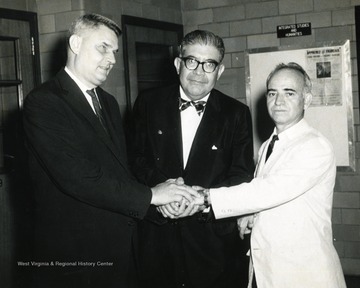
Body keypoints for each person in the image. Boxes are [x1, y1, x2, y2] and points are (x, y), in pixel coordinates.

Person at [22, 13, 198, 288]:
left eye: (115, 51)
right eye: (103, 48)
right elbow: (78, 177)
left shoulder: (107, 102)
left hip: (120, 256)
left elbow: (120, 173)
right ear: (76, 44)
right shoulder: (44, 102)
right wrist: (151, 196)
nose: (113, 59)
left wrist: (159, 205)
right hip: (76, 263)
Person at [194, 62, 347, 288]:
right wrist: (250, 214)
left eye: (289, 93)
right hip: (267, 270)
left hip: (303, 274)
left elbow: (269, 191)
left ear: (306, 100)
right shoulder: (269, 144)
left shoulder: (315, 146)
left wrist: (206, 197)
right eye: (272, 93)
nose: (278, 101)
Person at [129, 30, 255, 288]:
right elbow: (135, 159)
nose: (199, 71)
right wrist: (163, 194)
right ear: (178, 64)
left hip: (213, 245)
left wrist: (202, 202)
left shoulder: (237, 114)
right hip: (157, 239)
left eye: (209, 64)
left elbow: (241, 175)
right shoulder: (147, 103)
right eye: (192, 61)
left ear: (219, 71)